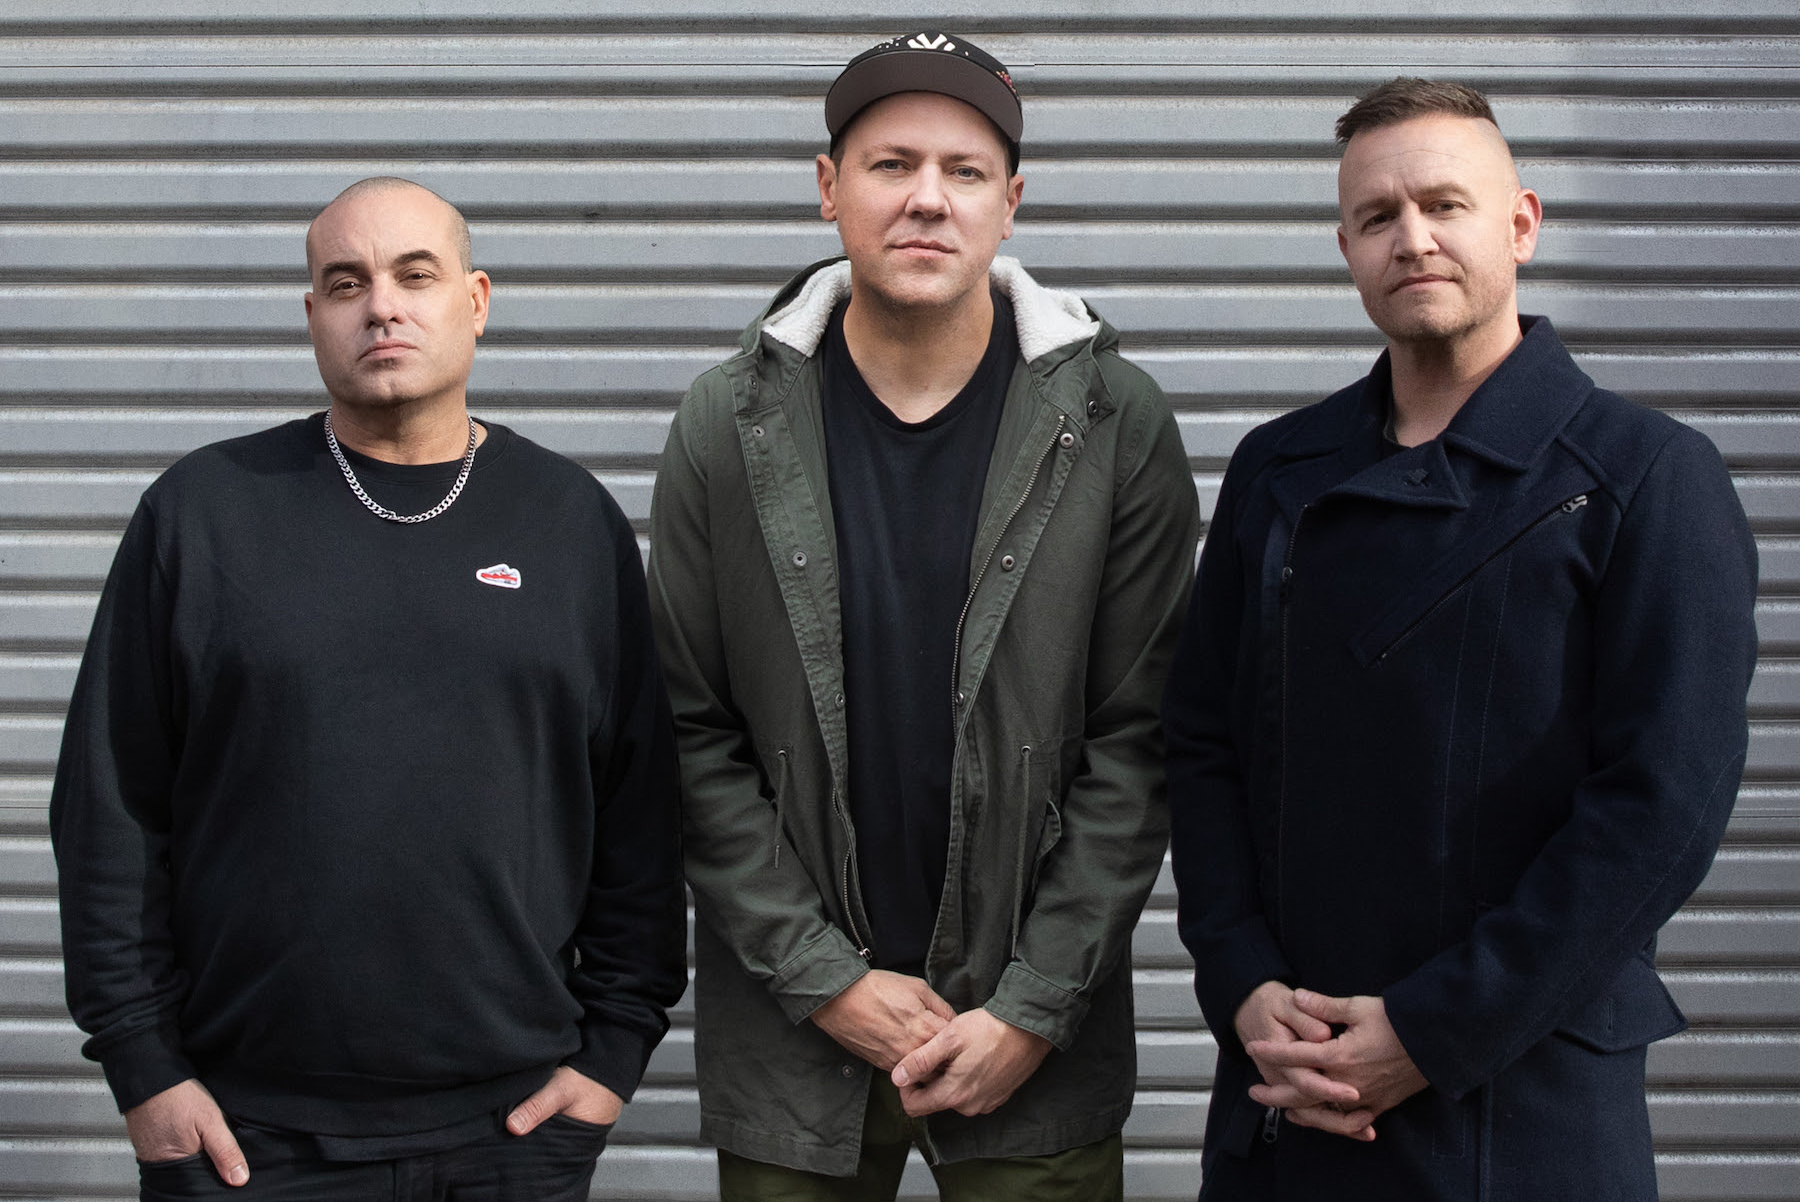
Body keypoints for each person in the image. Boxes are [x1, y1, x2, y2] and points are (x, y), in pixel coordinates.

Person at [1163, 78, 1758, 1200]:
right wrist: (1242, 982)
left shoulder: (1645, 477)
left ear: (1521, 224)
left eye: (1445, 204)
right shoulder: (1277, 469)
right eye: (1377, 216)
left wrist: (1434, 1029)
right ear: (1346, 247)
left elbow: (1662, 804)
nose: (1413, 238)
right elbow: (1202, 745)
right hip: (1289, 1098)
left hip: (1523, 1109)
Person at [50, 177, 687, 1200]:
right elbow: (110, 809)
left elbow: (639, 814)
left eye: (414, 275)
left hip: (513, 1132)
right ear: (313, 315)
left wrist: (613, 1053)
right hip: (246, 1137)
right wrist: (144, 1066)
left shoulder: (570, 522)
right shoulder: (203, 515)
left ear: (475, 300)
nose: (381, 305)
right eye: (346, 283)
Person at [648, 31, 1200, 1202]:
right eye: (892, 164)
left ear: (1011, 201)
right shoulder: (727, 423)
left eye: (963, 170)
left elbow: (1140, 742)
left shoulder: (1112, 421)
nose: (927, 199)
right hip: (798, 1039)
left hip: (1028, 1049)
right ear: (828, 186)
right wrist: (824, 977)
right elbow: (689, 732)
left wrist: (1034, 1003)